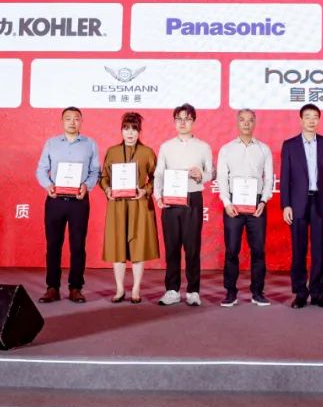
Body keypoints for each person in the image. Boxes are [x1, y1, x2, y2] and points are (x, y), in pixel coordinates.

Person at [34, 106, 100, 304]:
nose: (72, 122)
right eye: (68, 118)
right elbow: (41, 169)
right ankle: (52, 287)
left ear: (81, 121)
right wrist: (48, 185)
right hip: (55, 200)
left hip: (78, 201)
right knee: (53, 245)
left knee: (78, 246)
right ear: (62, 122)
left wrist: (86, 186)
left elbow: (95, 171)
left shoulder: (90, 144)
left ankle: (75, 287)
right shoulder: (51, 143)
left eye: (76, 118)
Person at [153, 103, 214, 307]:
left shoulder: (203, 147)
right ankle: (172, 290)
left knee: (192, 247)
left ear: (193, 121)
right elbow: (159, 174)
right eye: (179, 118)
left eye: (187, 119)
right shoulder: (166, 146)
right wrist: (158, 195)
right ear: (174, 122)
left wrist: (201, 175)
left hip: (193, 198)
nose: (182, 122)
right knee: (171, 246)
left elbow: (211, 173)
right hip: (170, 200)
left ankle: (193, 291)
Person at [216, 108, 275, 307]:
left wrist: (263, 201)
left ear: (255, 122)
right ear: (237, 122)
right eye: (242, 120)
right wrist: (226, 202)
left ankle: (257, 292)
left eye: (250, 120)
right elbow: (222, 178)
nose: (246, 123)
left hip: (257, 204)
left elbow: (269, 178)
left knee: (258, 250)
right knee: (232, 250)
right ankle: (230, 292)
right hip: (233, 203)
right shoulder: (227, 149)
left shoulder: (264, 149)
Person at [280, 104, 323, 309]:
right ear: (301, 120)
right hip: (297, 204)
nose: (311, 120)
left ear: (319, 120)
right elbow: (285, 176)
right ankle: (300, 293)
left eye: (315, 117)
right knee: (299, 250)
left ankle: (318, 293)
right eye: (307, 117)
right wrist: (286, 204)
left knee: (319, 251)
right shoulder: (290, 145)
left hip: (320, 202)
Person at [99, 111, 159, 304]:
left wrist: (145, 190)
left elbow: (157, 177)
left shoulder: (147, 152)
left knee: (138, 247)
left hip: (139, 204)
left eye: (134, 129)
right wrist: (107, 189)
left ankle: (135, 289)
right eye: (126, 129)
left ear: (139, 131)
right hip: (117, 205)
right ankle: (119, 289)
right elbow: (103, 176)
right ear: (121, 131)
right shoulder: (112, 152)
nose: (130, 133)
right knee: (117, 247)